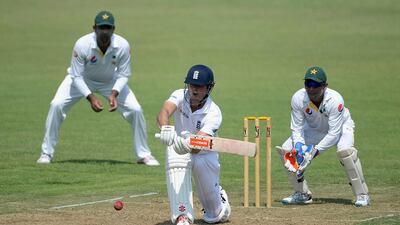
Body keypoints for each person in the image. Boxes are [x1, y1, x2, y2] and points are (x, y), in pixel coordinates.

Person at [36, 11, 159, 166]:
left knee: (136, 110)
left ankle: (144, 155)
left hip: (109, 81)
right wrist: (91, 97)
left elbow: (123, 74)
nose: (105, 31)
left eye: (108, 28)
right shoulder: (82, 44)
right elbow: (76, 76)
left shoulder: (122, 45)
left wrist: (114, 94)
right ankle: (46, 153)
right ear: (94, 28)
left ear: (113, 29)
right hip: (81, 79)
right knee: (56, 105)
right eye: (102, 27)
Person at [276, 66, 370, 207]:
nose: (311, 89)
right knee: (287, 151)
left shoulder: (335, 99)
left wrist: (312, 153)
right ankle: (302, 194)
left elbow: (333, 133)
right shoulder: (298, 98)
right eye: (308, 84)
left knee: (346, 153)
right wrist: (300, 149)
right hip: (314, 129)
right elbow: (296, 128)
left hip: (341, 128)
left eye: (315, 85)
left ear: (325, 86)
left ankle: (362, 195)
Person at [156, 65, 231, 225]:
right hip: (178, 147)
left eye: (200, 86)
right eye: (192, 85)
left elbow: (197, 148)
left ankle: (219, 201)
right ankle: (182, 216)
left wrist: (185, 143)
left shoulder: (214, 112)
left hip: (204, 153)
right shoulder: (179, 95)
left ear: (209, 87)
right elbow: (164, 112)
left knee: (214, 215)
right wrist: (166, 128)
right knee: (177, 161)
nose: (194, 90)